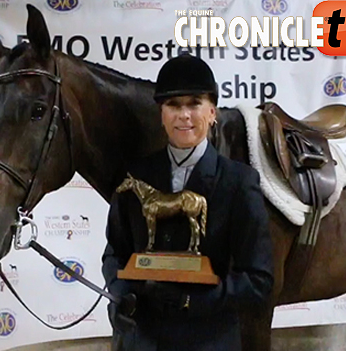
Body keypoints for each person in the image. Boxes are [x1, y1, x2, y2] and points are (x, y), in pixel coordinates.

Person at [102, 54, 274, 351]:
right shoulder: (135, 175)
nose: (184, 115)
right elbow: (114, 254)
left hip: (208, 340)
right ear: (161, 114)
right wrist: (124, 294)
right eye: (173, 105)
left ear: (212, 112)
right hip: (142, 340)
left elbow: (258, 280)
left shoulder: (239, 182)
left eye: (194, 103)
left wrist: (193, 301)